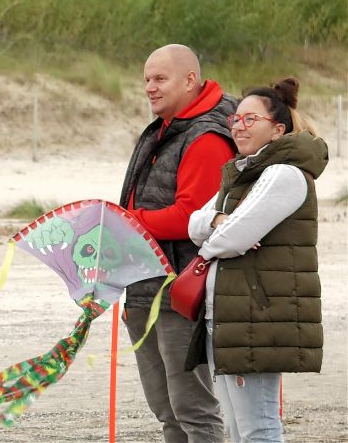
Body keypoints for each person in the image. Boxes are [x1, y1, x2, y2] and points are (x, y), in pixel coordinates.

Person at [187, 78, 328, 442]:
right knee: (237, 429)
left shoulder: (283, 173)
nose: (239, 126)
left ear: (277, 129)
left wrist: (214, 239)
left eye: (250, 119)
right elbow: (194, 223)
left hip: (256, 315)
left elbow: (233, 239)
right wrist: (219, 224)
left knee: (258, 428)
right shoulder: (244, 172)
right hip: (229, 314)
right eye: (236, 119)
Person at [118, 44, 237, 442]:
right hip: (146, 286)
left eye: (159, 79)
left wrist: (125, 223)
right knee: (167, 409)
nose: (149, 87)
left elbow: (193, 217)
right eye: (146, 79)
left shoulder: (206, 136)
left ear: (190, 80)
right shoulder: (166, 128)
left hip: (181, 292)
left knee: (192, 410)